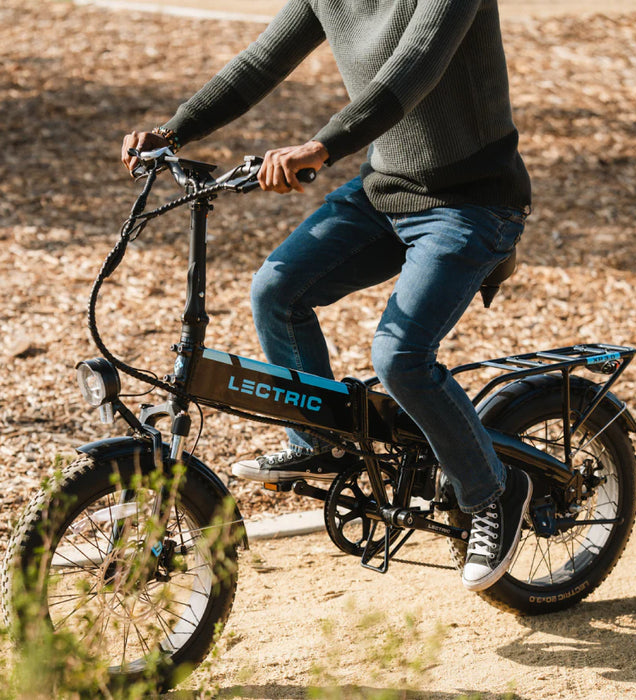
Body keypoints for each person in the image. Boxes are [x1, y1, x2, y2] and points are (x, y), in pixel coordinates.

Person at [122, 0, 533, 592]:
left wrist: (320, 147)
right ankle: (320, 444)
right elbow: (260, 62)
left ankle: (493, 491)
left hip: (472, 203)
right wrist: (173, 132)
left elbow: (413, 66)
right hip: (386, 191)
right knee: (277, 291)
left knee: (400, 356)